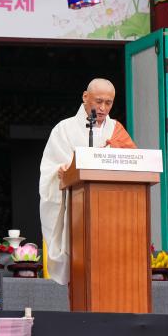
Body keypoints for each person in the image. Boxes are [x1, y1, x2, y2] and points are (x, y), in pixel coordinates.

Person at [38, 78, 137, 284]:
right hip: (77, 212)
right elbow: (49, 171)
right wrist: (63, 171)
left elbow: (135, 165)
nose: (102, 108)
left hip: (110, 214)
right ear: (85, 97)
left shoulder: (116, 130)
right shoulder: (63, 129)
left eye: (108, 103)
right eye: (98, 101)